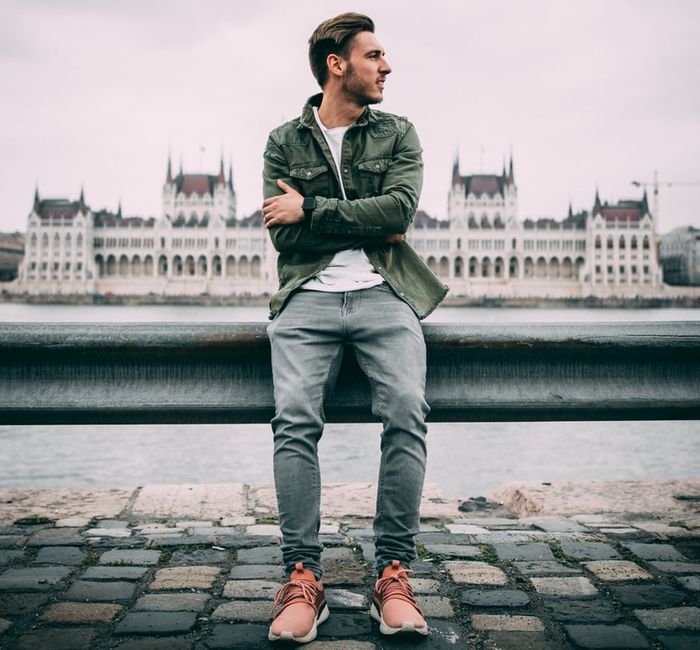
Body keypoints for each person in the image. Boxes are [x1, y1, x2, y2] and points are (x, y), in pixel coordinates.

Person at [261, 12, 448, 644]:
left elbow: (399, 212)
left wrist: (312, 205)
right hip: (307, 297)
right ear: (336, 64)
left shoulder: (398, 131)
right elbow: (281, 232)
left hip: (385, 292)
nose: (386, 66)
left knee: (406, 409)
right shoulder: (285, 140)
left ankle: (391, 572)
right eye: (374, 56)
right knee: (294, 420)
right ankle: (303, 578)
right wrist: (364, 221)